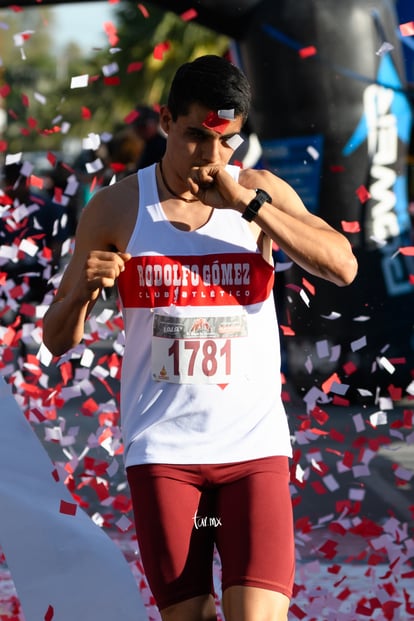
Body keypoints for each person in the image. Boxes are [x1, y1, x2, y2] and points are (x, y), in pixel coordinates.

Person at [42, 55, 358, 621]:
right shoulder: (118, 207)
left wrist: (250, 206)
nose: (211, 158)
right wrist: (84, 293)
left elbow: (342, 265)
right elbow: (57, 338)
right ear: (165, 121)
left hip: (253, 451)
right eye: (195, 137)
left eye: (227, 141)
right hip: (166, 456)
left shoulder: (257, 193)